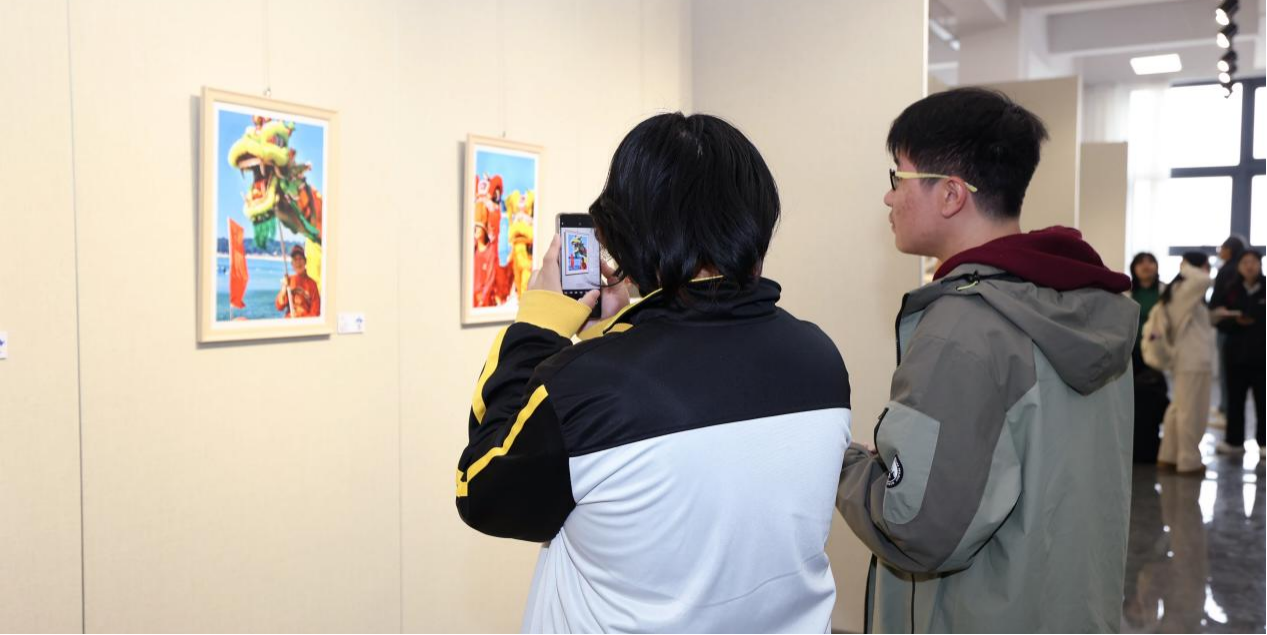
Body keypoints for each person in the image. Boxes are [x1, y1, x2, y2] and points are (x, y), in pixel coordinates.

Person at [455, 113, 853, 633]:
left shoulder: (584, 388)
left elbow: (483, 489)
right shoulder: (821, 358)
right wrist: (619, 335)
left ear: (631, 230)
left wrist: (537, 325)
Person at [836, 87, 1138, 633]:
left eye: (898, 177)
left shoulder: (965, 327)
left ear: (951, 194)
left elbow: (915, 526)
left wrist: (846, 466)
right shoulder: (1089, 307)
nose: (888, 197)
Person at [1156, 251, 1215, 474]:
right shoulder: (1185, 288)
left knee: (1179, 409)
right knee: (1192, 412)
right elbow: (1204, 280)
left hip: (1188, 359)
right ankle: (1188, 461)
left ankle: (1169, 456)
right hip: (1193, 360)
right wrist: (1188, 266)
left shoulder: (1178, 291)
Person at [1214, 249, 1266, 458]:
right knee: (1235, 399)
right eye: (1245, 262)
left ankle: (1264, 442)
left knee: (1264, 400)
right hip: (1236, 354)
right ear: (1239, 266)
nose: (1249, 266)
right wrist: (1235, 321)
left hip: (1262, 355)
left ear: (1260, 264)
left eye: (1253, 261)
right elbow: (1217, 317)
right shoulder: (1230, 289)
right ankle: (1234, 441)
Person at [1131, 252, 1169, 462]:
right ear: (1134, 268)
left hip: (1157, 353)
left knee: (1155, 399)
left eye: (1150, 262)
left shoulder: (1165, 292)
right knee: (1133, 399)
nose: (1146, 266)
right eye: (1141, 262)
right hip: (1132, 353)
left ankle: (1151, 445)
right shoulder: (1127, 292)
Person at [1210, 235, 1247, 423]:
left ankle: (1225, 409)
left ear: (1229, 250)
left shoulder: (1226, 270)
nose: (1220, 251)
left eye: (1222, 248)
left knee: (1226, 371)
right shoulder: (1238, 270)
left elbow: (1218, 300)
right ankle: (1227, 408)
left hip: (1226, 327)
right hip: (1239, 329)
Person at [275, 245, 320, 318]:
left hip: (305, 323)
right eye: (295, 259)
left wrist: (300, 319)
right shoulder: (288, 281)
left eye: (300, 259)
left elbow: (315, 312)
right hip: (290, 322)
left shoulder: (312, 284)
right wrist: (283, 289)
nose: (298, 262)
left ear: (305, 261)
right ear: (292, 264)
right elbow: (279, 306)